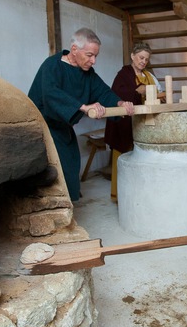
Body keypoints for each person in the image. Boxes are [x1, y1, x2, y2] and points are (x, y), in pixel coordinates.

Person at [28, 27, 135, 202]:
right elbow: (51, 95)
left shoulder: (88, 74)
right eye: (89, 55)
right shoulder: (52, 65)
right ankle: (55, 207)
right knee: (55, 168)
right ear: (74, 50)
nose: (93, 61)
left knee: (71, 165)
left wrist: (120, 103)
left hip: (62, 126)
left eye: (96, 56)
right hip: (42, 126)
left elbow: (103, 92)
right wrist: (83, 107)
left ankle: (66, 206)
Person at [105, 42, 163, 202]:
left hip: (142, 122)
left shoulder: (149, 76)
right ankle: (119, 196)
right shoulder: (123, 74)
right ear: (132, 56)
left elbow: (159, 91)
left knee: (140, 158)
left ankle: (138, 194)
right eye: (141, 57)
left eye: (146, 59)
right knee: (122, 158)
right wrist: (136, 91)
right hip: (124, 122)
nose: (143, 61)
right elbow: (116, 94)